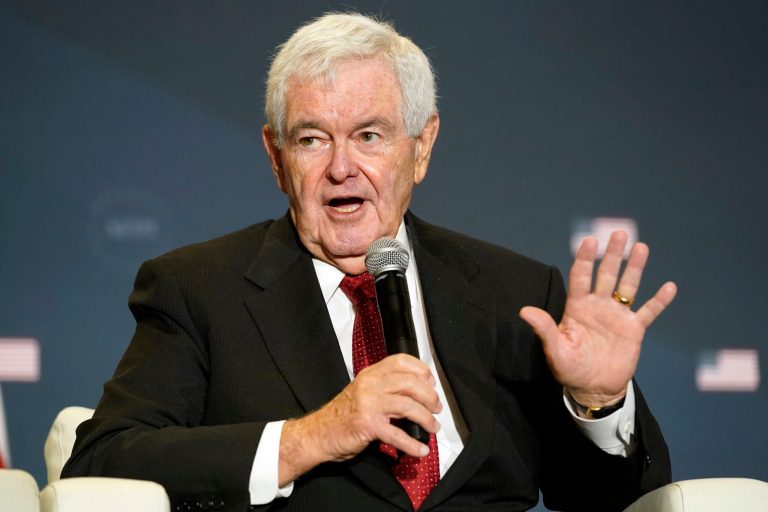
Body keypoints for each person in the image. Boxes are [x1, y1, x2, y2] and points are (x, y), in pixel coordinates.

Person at [63, 13, 677, 511]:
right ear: (275, 158)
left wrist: (600, 403)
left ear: (422, 147)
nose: (340, 168)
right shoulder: (198, 290)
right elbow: (102, 463)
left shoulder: (513, 292)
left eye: (370, 135)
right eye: (311, 139)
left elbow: (615, 503)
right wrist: (313, 436)